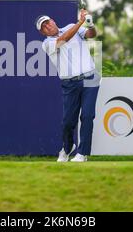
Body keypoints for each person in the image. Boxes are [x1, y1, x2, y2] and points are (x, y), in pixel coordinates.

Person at [35, 9, 100, 162]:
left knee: (87, 115)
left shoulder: (71, 27)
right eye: (43, 27)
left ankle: (82, 153)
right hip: (69, 83)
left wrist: (90, 24)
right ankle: (68, 147)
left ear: (53, 20)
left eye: (48, 22)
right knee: (68, 121)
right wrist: (80, 22)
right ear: (42, 32)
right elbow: (63, 39)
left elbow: (92, 35)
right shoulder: (47, 44)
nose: (48, 26)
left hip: (90, 77)